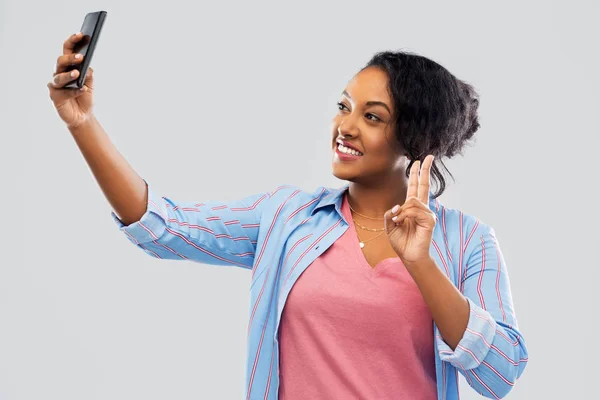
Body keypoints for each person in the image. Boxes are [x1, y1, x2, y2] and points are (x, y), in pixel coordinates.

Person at [48, 31, 528, 400]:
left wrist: (421, 264)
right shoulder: (285, 218)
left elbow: (501, 373)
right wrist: (82, 122)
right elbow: (162, 225)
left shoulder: (468, 242)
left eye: (373, 116)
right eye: (344, 107)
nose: (345, 126)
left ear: (416, 140)